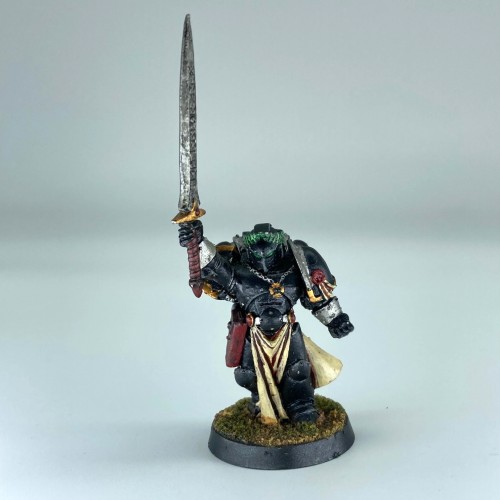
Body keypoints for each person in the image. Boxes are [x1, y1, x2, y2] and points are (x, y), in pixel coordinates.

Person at [179, 222, 354, 424]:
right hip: (253, 333)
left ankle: (301, 405)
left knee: (298, 370)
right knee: (248, 374)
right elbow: (214, 266)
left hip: (287, 331)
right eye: (257, 254)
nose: (263, 259)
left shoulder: (297, 266)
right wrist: (197, 241)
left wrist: (336, 320)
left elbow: (318, 298)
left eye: (269, 254)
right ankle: (261, 401)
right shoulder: (238, 270)